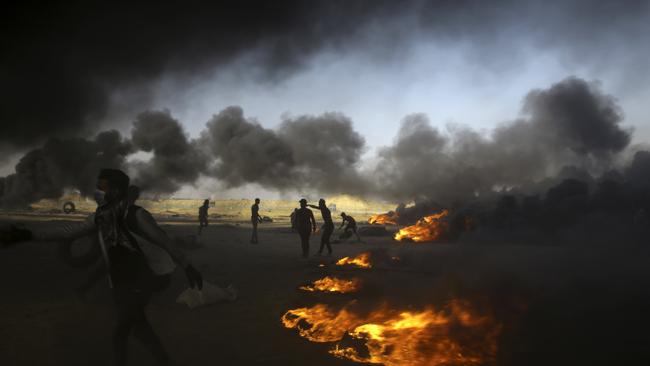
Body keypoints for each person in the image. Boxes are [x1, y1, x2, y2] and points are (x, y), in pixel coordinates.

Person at [1, 169, 203, 366]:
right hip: (119, 281)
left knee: (120, 333)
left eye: (102, 188)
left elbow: (165, 242)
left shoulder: (137, 215)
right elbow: (68, 232)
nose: (98, 192)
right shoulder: (101, 216)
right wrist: (27, 235)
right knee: (140, 328)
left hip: (140, 278)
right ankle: (166, 362)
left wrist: (188, 266)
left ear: (115, 190)